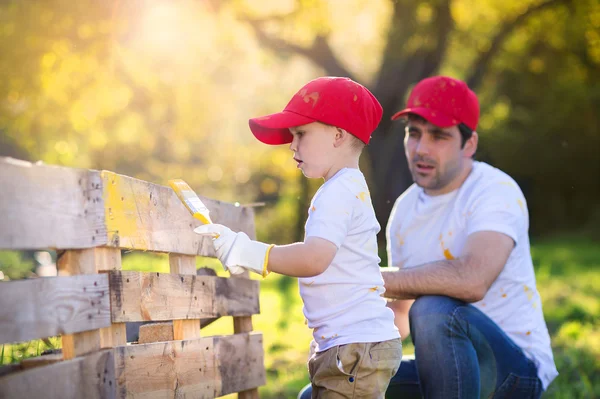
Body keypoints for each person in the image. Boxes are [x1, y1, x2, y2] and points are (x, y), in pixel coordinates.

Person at [299, 75, 558, 398]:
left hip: (513, 373)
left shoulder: (495, 190)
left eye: (438, 136)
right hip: (444, 371)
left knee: (433, 309)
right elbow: (402, 312)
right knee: (322, 392)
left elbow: (472, 280)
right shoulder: (405, 210)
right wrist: (347, 340)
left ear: (470, 144)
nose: (421, 149)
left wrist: (357, 277)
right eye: (414, 133)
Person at [195, 77, 402, 398]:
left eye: (301, 134)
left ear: (338, 135)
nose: (292, 146)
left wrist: (246, 251)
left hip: (352, 348)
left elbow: (314, 259)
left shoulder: (338, 192)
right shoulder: (348, 187)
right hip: (349, 345)